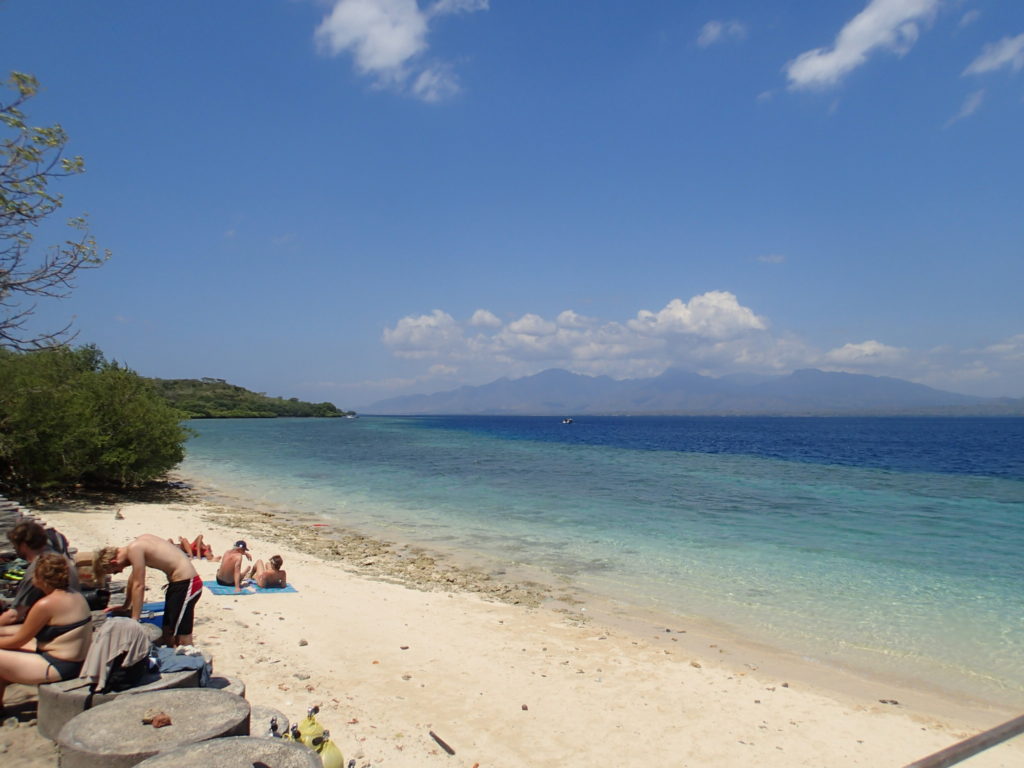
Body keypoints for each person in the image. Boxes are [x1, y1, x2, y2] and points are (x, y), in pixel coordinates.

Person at [0, 553, 92, 711]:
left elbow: (19, 640)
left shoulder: (46, 604)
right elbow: (25, 631)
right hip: (73, 661)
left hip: (57, 666)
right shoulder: (75, 595)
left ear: (39, 577)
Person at [93, 534, 201, 647]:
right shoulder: (137, 545)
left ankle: (193, 662)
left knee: (182, 636)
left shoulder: (135, 548)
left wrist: (134, 621)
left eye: (115, 571)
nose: (119, 572)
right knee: (167, 631)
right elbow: (133, 579)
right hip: (178, 585)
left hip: (188, 584)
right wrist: (126, 605)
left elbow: (139, 585)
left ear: (114, 562)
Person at [0, 521, 80, 627]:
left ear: (23, 545)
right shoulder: (61, 559)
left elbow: (14, 615)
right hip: (73, 619)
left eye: (15, 546)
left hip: (55, 629)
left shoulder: (38, 569)